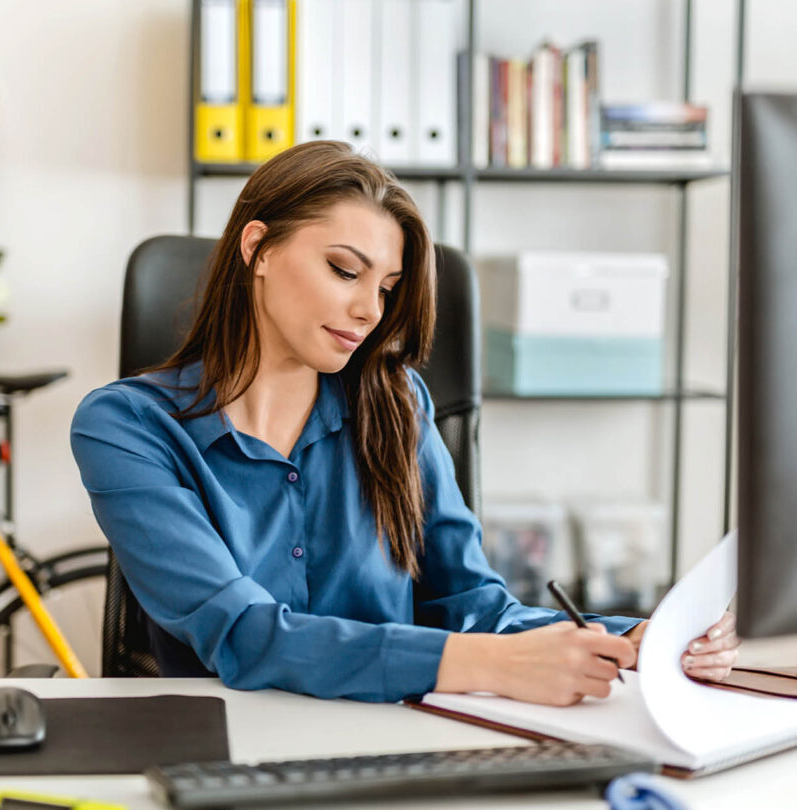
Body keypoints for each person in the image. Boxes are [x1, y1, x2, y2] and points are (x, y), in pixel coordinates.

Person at [70, 141, 739, 704]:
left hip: (399, 734)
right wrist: (488, 666)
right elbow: (243, 633)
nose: (368, 310)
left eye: (387, 288)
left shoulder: (398, 403)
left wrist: (629, 637)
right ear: (258, 249)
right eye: (344, 271)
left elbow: (472, 608)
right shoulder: (127, 427)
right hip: (227, 749)